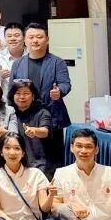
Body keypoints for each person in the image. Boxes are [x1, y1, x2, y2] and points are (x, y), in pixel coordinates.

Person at [10, 23, 71, 169]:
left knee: (53, 159)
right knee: (26, 155)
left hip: (51, 114)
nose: (35, 40)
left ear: (47, 39)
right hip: (25, 116)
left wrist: (58, 92)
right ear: (25, 40)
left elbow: (65, 83)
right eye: (31, 37)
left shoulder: (57, 62)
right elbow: (12, 90)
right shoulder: (18, 63)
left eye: (39, 37)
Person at [8, 78, 53, 177]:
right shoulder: (9, 113)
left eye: (26, 93)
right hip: (13, 162)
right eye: (18, 93)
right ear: (12, 96)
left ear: (33, 96)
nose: (22, 97)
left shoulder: (42, 113)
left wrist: (34, 130)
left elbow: (45, 131)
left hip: (39, 163)